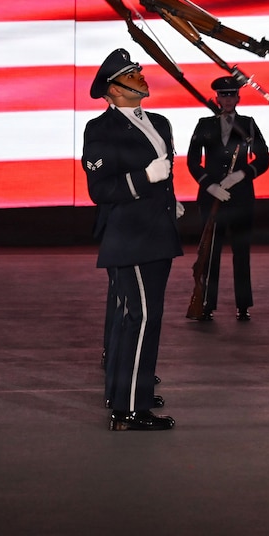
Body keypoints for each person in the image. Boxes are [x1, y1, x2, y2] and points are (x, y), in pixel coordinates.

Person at [82, 48, 182, 431]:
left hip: (157, 230)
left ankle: (128, 390)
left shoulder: (159, 121)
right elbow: (100, 188)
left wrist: (170, 201)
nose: (141, 78)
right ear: (114, 90)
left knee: (141, 318)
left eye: (138, 71)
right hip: (131, 234)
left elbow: (166, 174)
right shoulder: (101, 129)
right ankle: (128, 410)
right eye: (131, 75)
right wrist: (146, 179)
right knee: (140, 318)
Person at [186, 76, 269, 321]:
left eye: (231, 95)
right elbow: (192, 161)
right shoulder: (204, 124)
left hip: (241, 196)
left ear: (238, 98)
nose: (227, 100)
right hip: (212, 196)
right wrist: (209, 185)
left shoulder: (248, 124)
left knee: (241, 251)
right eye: (223, 96)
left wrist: (243, 174)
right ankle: (207, 303)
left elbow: (263, 158)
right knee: (210, 252)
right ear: (217, 98)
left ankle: (243, 304)